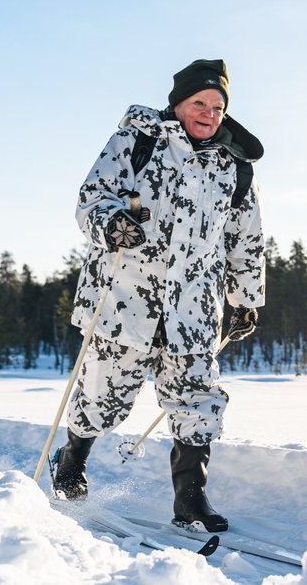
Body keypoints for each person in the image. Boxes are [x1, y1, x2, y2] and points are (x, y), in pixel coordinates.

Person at [50, 59, 265, 533]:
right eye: (199, 103)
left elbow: (245, 239)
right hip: (126, 299)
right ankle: (71, 459)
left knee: (198, 399)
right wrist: (111, 223)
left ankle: (190, 498)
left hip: (193, 308)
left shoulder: (236, 169)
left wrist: (245, 297)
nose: (208, 113)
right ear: (178, 103)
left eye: (217, 105)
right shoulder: (137, 142)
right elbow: (91, 197)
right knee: (103, 395)